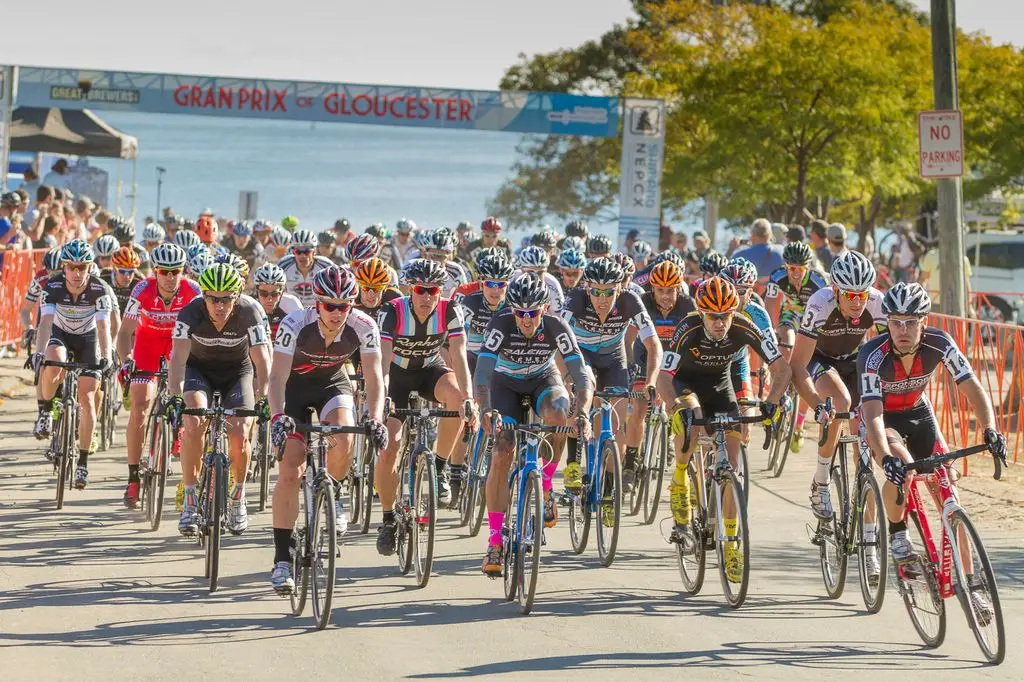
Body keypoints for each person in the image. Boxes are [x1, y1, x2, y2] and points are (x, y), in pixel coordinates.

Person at [857, 282, 1006, 594]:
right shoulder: (872, 356)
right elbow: (872, 414)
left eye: (911, 322)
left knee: (947, 486)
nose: (903, 329)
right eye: (896, 322)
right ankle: (898, 534)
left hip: (918, 412)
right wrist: (884, 457)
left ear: (924, 322)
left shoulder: (940, 343)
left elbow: (972, 387)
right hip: (883, 418)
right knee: (904, 467)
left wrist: (991, 429)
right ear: (887, 323)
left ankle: (972, 583)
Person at [657, 277, 791, 573]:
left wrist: (772, 401)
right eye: (713, 316)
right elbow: (664, 377)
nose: (720, 323)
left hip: (719, 386)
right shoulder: (687, 328)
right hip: (685, 384)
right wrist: (675, 406)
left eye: (726, 315)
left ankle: (730, 544)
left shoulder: (744, 326)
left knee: (732, 461)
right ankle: (680, 478)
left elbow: (781, 367)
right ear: (700, 311)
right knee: (691, 419)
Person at [267, 266, 388, 594]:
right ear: (317, 303)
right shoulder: (294, 325)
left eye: (344, 306)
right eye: (329, 306)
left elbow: (376, 379)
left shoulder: (364, 326)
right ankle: (281, 558)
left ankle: (333, 491)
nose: (336, 313)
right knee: (290, 470)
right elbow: (276, 378)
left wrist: (375, 417)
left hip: (332, 384)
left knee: (345, 434)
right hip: (293, 389)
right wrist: (278, 417)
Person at [475, 273, 594, 575]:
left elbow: (581, 376)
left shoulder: (556, 327)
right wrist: (487, 411)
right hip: (505, 385)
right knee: (502, 453)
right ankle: (495, 538)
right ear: (511, 310)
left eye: (532, 313)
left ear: (544, 309)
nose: (526, 320)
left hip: (543, 380)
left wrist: (582, 413)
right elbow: (482, 374)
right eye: (520, 313)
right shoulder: (500, 325)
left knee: (560, 413)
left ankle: (545, 482)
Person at [374, 259, 477, 555]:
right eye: (421, 290)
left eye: (433, 290)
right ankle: (389, 518)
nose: (427, 297)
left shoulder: (450, 309)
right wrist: (383, 398)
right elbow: (381, 360)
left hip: (431, 370)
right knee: (390, 446)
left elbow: (458, 356)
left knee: (457, 400)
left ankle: (441, 469)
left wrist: (469, 397)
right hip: (397, 377)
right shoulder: (392, 311)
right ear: (409, 288)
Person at [163, 263, 272, 537]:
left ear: (237, 296)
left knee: (239, 432)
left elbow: (262, 358)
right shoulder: (190, 312)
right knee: (194, 419)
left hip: (238, 372)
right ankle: (190, 500)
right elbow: (177, 358)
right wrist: (175, 396)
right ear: (204, 297)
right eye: (213, 298)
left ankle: (238, 497)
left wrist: (265, 397)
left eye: (226, 299)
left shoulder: (251, 311)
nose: (219, 305)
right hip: (199, 371)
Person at [788, 251, 886, 524]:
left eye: (862, 295)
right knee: (839, 403)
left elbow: (889, 354)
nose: (857, 302)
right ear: (835, 290)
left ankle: (869, 540)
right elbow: (797, 365)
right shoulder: (820, 304)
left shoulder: (877, 302)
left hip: (855, 360)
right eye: (850, 295)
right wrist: (818, 405)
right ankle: (821, 482)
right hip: (820, 360)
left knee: (863, 445)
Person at [560, 257, 661, 501]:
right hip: (582, 354)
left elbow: (654, 345)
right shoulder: (576, 298)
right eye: (596, 291)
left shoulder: (630, 301)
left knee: (614, 427)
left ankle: (607, 487)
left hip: (614, 359)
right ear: (587, 288)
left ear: (620, 289)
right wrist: (565, 375)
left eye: (609, 292)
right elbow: (558, 337)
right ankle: (573, 462)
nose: (602, 299)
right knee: (582, 396)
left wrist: (651, 381)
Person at [116, 244, 200, 508]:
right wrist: (126, 360)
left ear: (182, 271)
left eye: (175, 271)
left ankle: (177, 437)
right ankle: (133, 477)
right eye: (164, 271)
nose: (170, 277)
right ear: (155, 271)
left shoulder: (193, 291)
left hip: (178, 344)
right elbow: (124, 331)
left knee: (189, 400)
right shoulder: (141, 290)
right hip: (148, 343)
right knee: (140, 405)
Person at [30, 240, 115, 489]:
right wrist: (38, 353)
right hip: (61, 334)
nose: (77, 274)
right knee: (53, 359)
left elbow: (103, 326)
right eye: (72, 268)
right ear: (64, 268)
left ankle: (83, 463)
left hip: (88, 340)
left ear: (90, 267)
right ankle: (46, 410)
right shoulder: (52, 286)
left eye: (82, 268)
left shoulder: (100, 289)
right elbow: (45, 323)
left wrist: (107, 358)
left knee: (87, 398)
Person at [763, 241, 830, 451]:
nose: (795, 273)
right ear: (786, 266)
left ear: (807, 267)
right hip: (790, 314)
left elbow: (829, 309)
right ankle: (780, 385)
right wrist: (770, 330)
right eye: (791, 268)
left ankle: (799, 425)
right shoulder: (777, 276)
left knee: (804, 370)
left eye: (800, 269)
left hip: (813, 320)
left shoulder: (819, 281)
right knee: (785, 340)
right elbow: (770, 303)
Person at [277, 229, 335, 306]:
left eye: (307, 251)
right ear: (293, 252)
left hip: (317, 310)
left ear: (314, 251)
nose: (302, 256)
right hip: (291, 310)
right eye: (298, 252)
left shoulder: (326, 266)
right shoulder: (283, 265)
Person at [251, 263, 303, 341]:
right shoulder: (249, 304)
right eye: (263, 293)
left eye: (274, 294)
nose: (269, 299)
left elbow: (302, 338)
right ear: (256, 292)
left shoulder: (292, 304)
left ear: (282, 292)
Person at [514, 245, 564, 314]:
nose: (535, 278)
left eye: (540, 273)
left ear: (546, 271)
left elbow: (561, 317)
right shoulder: (512, 279)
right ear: (521, 270)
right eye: (530, 272)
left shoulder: (553, 284)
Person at [732, 218, 784, 283]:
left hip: (752, 292)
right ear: (770, 234)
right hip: (777, 292)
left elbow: (727, 275)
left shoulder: (740, 256)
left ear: (753, 234)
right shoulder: (782, 251)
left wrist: (731, 250)